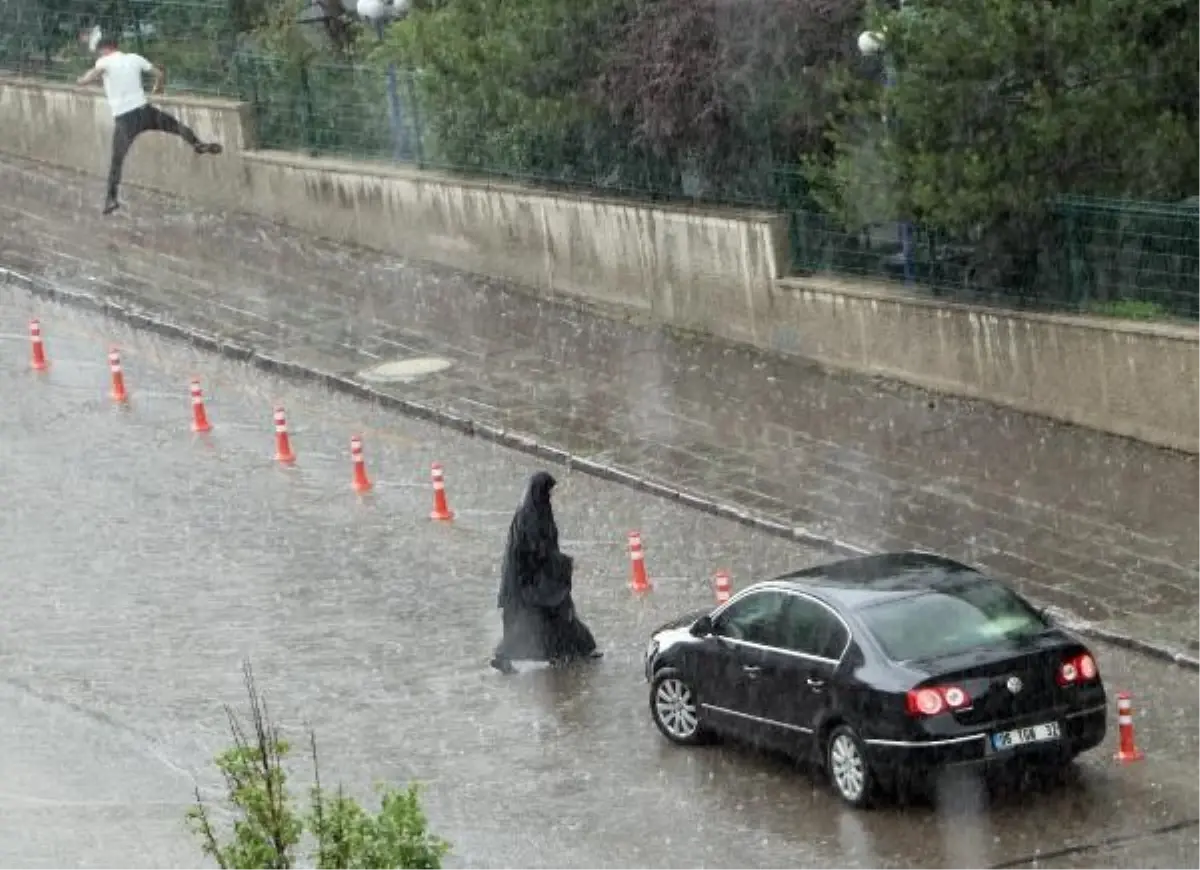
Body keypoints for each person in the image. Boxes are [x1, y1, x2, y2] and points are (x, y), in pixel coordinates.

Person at [75, 35, 223, 215]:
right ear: (116, 46)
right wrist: (158, 87)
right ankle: (197, 144)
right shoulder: (134, 58)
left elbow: (93, 75)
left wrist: (83, 80)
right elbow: (159, 73)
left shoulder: (103, 62)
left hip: (125, 120)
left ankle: (111, 199)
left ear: (104, 49)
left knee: (117, 161)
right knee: (176, 126)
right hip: (145, 112)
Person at [491, 471, 600, 674]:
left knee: (553, 618)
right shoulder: (531, 518)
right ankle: (568, 652)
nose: (551, 496)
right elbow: (539, 552)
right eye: (548, 492)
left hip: (533, 580)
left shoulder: (533, 511)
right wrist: (565, 563)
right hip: (530, 582)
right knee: (538, 622)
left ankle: (572, 651)